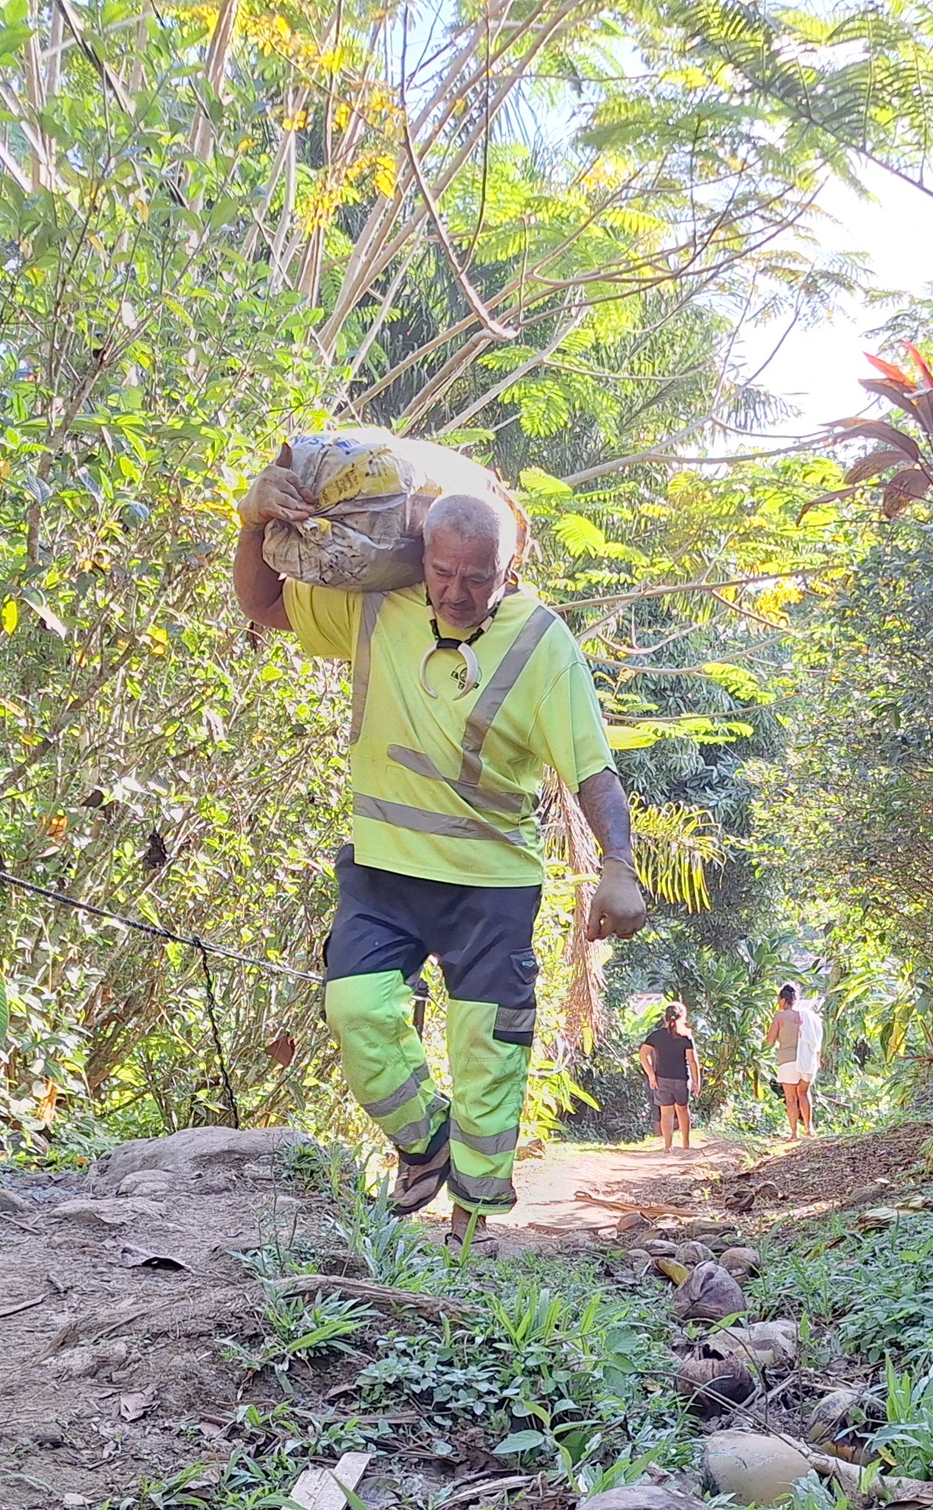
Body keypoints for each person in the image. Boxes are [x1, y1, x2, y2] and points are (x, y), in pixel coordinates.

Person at [233, 452, 649, 1247]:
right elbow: (265, 605)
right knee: (355, 1008)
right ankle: (424, 1145)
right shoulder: (374, 607)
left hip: (491, 883)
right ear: (422, 558)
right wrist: (254, 521)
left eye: (477, 576)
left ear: (509, 567)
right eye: (443, 571)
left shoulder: (540, 642)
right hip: (384, 868)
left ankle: (472, 1229)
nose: (457, 591)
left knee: (487, 1048)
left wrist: (619, 865)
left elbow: (591, 769)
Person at [637, 1001, 700, 1153]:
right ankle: (686, 1143)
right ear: (682, 1017)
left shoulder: (656, 1036)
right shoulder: (685, 1037)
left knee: (666, 1113)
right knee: (683, 1110)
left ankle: (668, 1146)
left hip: (661, 1079)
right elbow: (692, 1060)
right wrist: (697, 1082)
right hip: (681, 1080)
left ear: (665, 1018)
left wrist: (651, 1075)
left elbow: (642, 1055)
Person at [767, 981, 820, 1139]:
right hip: (806, 1059)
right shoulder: (807, 1017)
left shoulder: (780, 1017)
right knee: (804, 1093)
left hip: (787, 1060)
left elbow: (770, 1041)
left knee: (791, 1098)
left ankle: (793, 1133)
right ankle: (809, 1129)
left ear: (783, 1000)